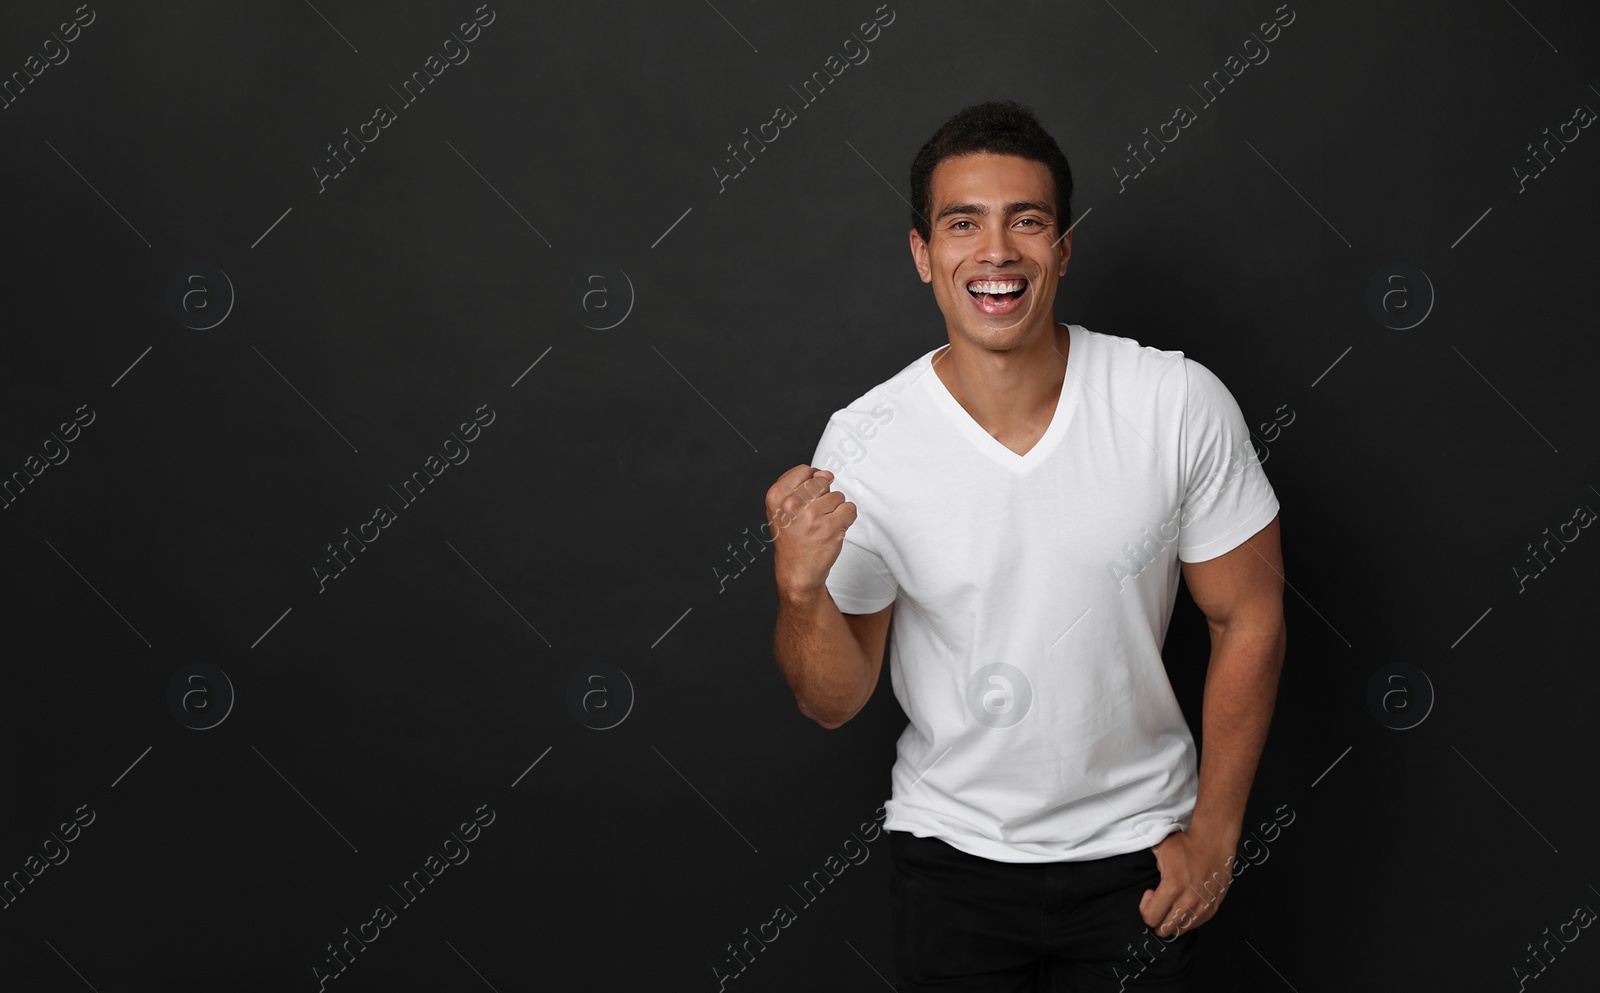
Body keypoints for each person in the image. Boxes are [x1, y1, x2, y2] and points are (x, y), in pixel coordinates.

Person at [766, 100, 1286, 991]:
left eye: (1027, 220)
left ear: (1064, 246)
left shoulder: (1175, 402)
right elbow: (833, 701)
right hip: (950, 863)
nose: (996, 250)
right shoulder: (864, 440)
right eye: (963, 223)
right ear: (924, 253)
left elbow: (1250, 614)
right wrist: (802, 593)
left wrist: (1217, 833)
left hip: (1140, 858)